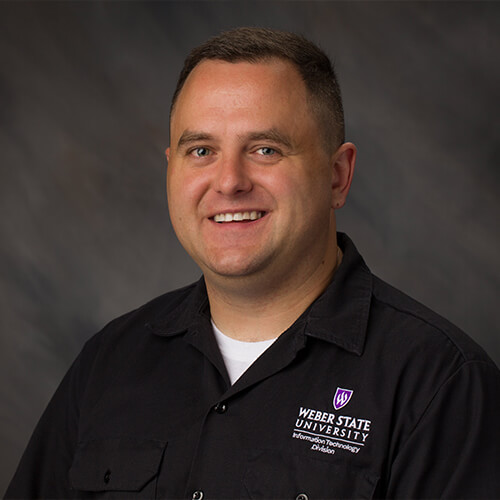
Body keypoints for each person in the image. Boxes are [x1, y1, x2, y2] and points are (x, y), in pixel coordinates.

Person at [5, 27, 499, 499]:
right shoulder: (110, 363)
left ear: (337, 176)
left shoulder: (441, 384)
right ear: (171, 169)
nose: (229, 181)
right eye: (201, 150)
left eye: (265, 150)